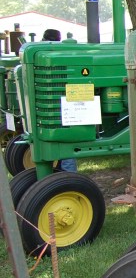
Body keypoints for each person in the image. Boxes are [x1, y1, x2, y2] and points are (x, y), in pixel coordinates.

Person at [42, 28, 77, 173]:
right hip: (60, 105)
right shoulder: (60, 55)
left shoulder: (44, 54)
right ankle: (67, 174)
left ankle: (67, 175)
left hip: (56, 106)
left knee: (64, 138)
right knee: (66, 137)